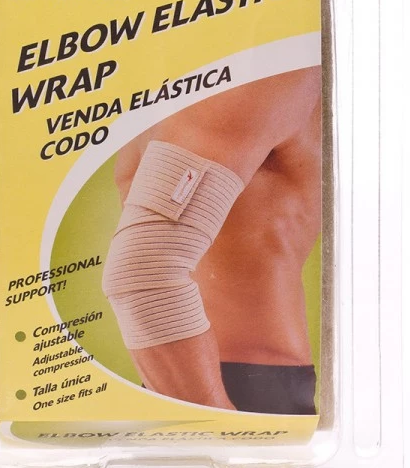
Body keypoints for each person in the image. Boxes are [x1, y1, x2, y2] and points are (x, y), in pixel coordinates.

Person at [105, 67, 322, 414]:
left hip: (240, 393)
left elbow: (145, 273)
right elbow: (146, 272)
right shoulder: (164, 80)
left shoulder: (261, 75)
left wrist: (215, 424)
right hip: (187, 381)